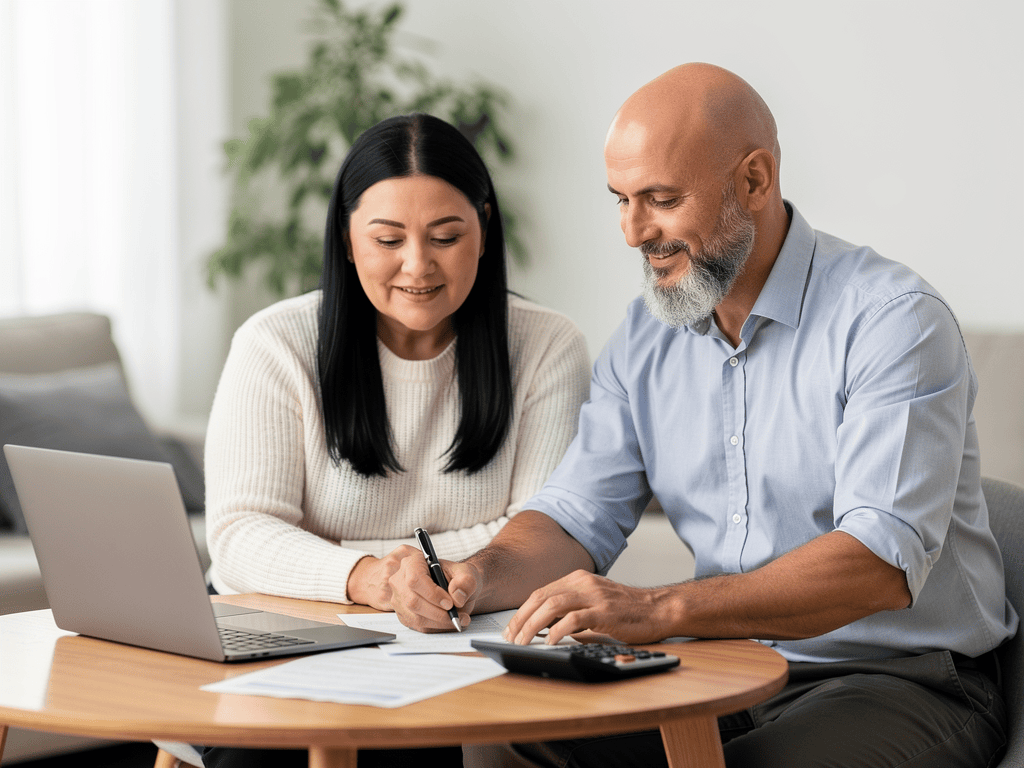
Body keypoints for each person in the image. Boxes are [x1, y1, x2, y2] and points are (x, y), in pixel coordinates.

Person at [392, 65, 1018, 768]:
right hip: (718, 673)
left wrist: (660, 608)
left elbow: (877, 562)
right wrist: (475, 572)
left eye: (661, 198)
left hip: (896, 681)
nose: (633, 231)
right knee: (511, 723)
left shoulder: (893, 322)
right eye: (621, 200)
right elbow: (574, 515)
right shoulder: (644, 336)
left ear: (754, 180)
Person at [201, 112, 590, 768]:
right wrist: (376, 579)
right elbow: (240, 536)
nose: (418, 266)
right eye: (388, 239)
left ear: (484, 232)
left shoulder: (547, 346)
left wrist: (350, 562)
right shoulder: (275, 344)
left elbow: (549, 533)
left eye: (445, 236)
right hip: (280, 631)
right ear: (348, 240)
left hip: (441, 640)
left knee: (413, 751)